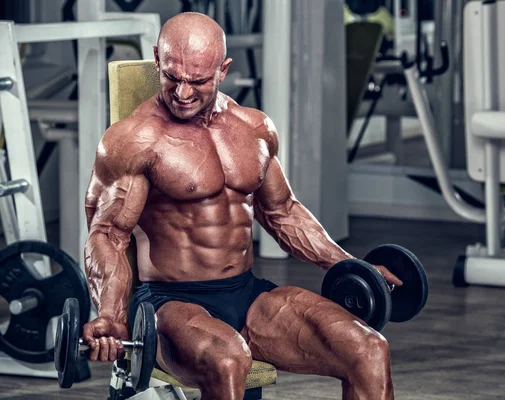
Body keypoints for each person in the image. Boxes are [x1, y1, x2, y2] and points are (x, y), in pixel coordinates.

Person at [82, 12, 402, 400]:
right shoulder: (135, 138)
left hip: (246, 295)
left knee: (367, 349)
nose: (182, 94)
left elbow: (282, 212)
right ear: (157, 60)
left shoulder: (253, 128)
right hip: (170, 304)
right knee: (228, 360)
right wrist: (111, 316)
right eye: (172, 77)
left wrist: (351, 266)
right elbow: (108, 234)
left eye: (198, 81)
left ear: (223, 70)